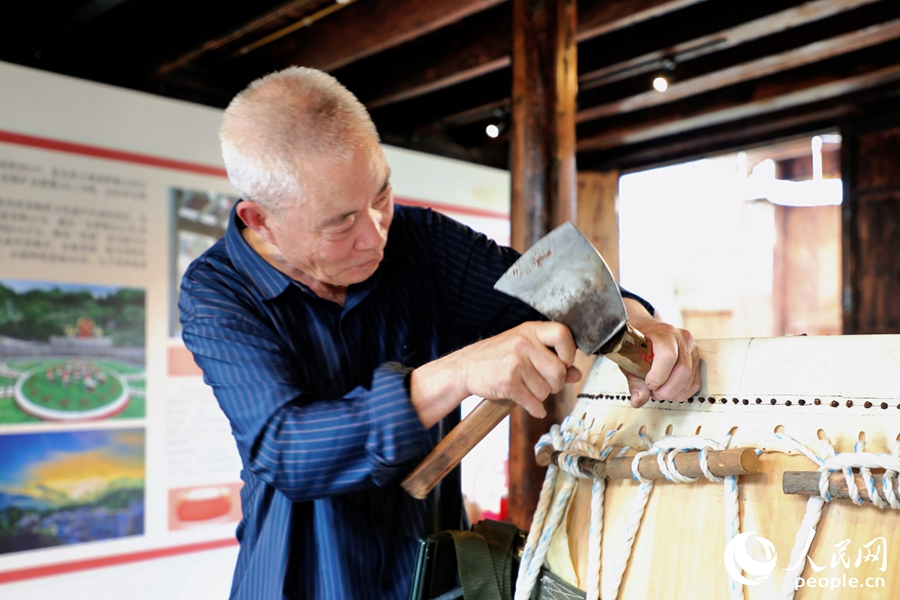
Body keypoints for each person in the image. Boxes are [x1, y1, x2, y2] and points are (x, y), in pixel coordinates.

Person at [179, 66, 700, 600]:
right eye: (340, 224)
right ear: (259, 219)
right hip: (298, 579)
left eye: (381, 195)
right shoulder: (217, 291)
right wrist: (458, 373)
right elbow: (287, 449)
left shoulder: (419, 242)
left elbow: (556, 286)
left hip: (428, 578)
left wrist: (638, 325)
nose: (375, 235)